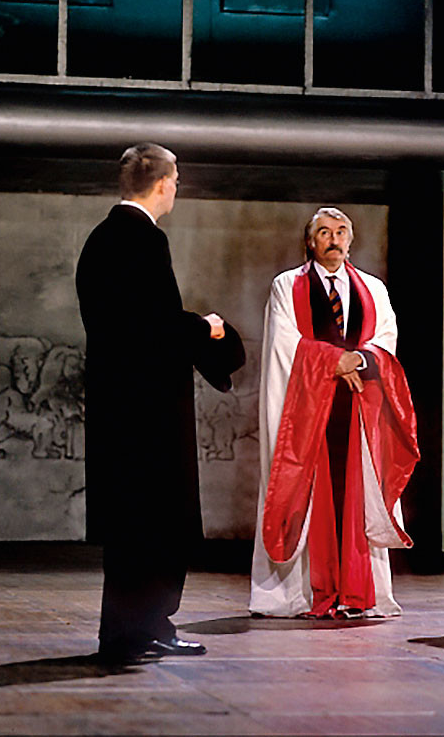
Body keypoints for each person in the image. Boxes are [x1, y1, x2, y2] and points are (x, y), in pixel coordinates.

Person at [76, 143, 243, 665]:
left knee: (131, 527)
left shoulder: (100, 238)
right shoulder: (144, 239)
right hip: (148, 411)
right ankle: (147, 627)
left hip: (117, 406)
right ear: (165, 183)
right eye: (176, 181)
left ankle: (127, 632)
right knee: (158, 524)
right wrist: (204, 327)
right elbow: (150, 326)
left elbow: (122, 324)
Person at [249, 207, 419, 619]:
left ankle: (357, 591)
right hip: (309, 410)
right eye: (324, 232)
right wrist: (332, 362)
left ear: (351, 240)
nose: (334, 239)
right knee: (311, 494)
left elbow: (386, 337)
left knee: (357, 495)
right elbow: (284, 343)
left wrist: (357, 359)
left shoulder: (373, 289)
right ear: (310, 242)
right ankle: (308, 593)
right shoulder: (287, 285)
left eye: (341, 231)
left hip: (359, 410)